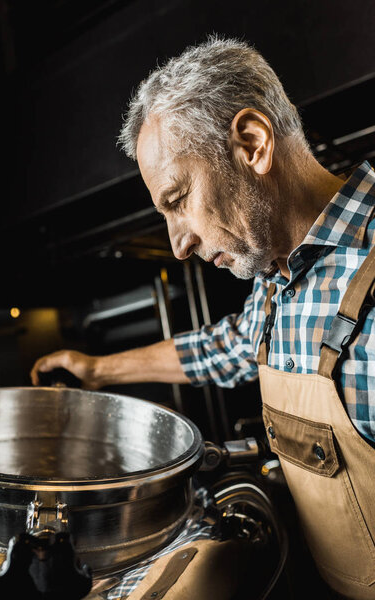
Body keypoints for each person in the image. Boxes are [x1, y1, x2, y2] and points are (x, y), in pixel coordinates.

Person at [31, 37, 375, 599]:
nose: (179, 244)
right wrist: (98, 371)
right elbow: (226, 347)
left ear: (252, 144)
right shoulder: (279, 280)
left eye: (178, 199)